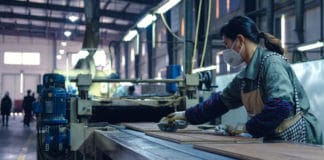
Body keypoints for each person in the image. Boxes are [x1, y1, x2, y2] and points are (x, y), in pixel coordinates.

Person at [163, 16, 322, 144]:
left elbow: (281, 106)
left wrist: (247, 128)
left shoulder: (271, 63)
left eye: (227, 44)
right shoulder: (245, 77)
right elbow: (220, 102)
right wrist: (186, 115)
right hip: (277, 139)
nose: (226, 51)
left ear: (239, 40)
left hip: (303, 140)